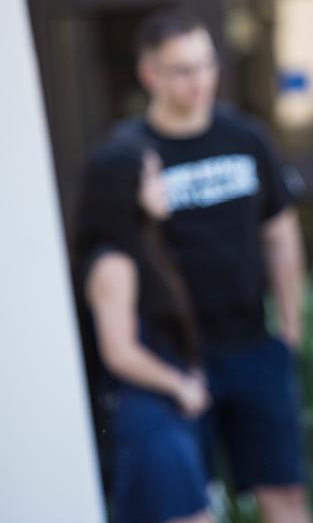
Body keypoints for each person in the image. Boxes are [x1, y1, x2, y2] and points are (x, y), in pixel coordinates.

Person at [116, 8, 311, 523]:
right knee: (187, 509)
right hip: (175, 360)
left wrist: (291, 328)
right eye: (182, 69)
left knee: (285, 497)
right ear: (149, 74)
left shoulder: (246, 138)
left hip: (253, 347)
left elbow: (280, 234)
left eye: (206, 65)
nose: (199, 80)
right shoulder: (131, 156)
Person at [75, 141, 212, 523]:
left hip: (163, 416)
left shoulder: (146, 251)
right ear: (124, 189)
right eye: (151, 176)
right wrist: (179, 385)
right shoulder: (114, 263)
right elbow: (119, 351)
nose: (163, 184)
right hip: (145, 420)